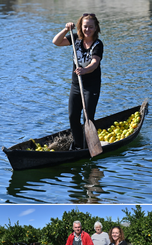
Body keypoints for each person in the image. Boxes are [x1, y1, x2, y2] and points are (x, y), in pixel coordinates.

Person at [52, 13, 104, 150]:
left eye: (91, 27)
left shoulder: (98, 44)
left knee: (88, 117)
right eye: (85, 26)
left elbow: (95, 63)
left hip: (91, 86)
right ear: (81, 27)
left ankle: (89, 146)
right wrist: (65, 29)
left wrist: (85, 70)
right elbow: (56, 42)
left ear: (96, 28)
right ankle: (78, 146)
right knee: (72, 115)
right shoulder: (76, 39)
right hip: (76, 85)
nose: (88, 29)